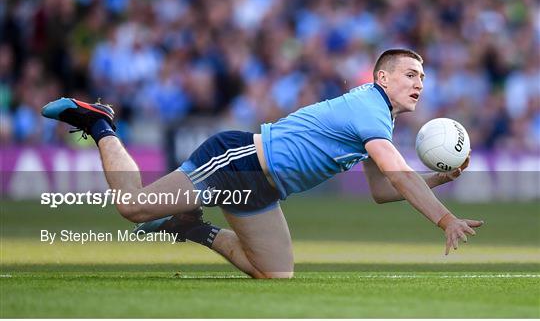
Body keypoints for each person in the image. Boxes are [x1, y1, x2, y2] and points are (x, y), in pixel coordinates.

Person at [42, 48, 484, 279]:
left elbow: (381, 190)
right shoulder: (369, 107)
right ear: (382, 77)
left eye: (423, 78)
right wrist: (443, 219)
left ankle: (190, 227)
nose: (418, 83)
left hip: (264, 188)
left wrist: (439, 178)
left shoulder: (379, 120)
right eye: (410, 74)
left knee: (274, 273)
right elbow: (395, 174)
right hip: (237, 161)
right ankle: (101, 124)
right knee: (133, 207)